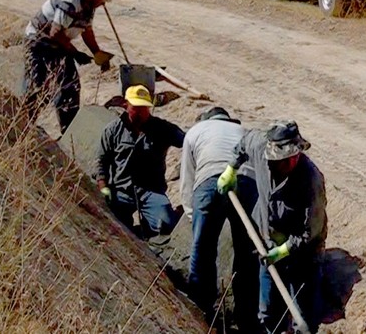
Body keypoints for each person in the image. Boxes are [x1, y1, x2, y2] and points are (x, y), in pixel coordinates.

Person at [217, 120, 327, 333]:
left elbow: (309, 231)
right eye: (281, 160)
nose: (286, 164)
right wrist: (231, 168)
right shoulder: (259, 146)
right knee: (267, 311)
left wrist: (283, 251)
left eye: (291, 158)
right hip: (268, 242)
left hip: (302, 253)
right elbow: (242, 144)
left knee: (302, 317)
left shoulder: (311, 180)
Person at [179, 106, 259, 329]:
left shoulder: (196, 131)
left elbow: (187, 177)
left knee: (203, 249)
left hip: (210, 181)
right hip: (246, 182)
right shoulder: (243, 131)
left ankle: (201, 309)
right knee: (247, 254)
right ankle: (247, 317)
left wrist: (191, 214)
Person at [22, 0, 113, 134]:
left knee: (70, 87)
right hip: (38, 43)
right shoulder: (70, 1)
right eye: (102, 1)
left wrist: (97, 54)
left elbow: (87, 32)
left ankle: (69, 132)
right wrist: (76, 53)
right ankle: (22, 125)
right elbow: (55, 34)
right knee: (37, 86)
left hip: (59, 47)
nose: (103, 4)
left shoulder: (88, 7)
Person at [96, 85, 185, 237]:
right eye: (136, 107)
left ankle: (172, 214)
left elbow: (187, 141)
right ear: (126, 105)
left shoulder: (162, 128)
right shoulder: (112, 131)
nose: (140, 111)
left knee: (166, 225)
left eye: (144, 107)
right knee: (115, 228)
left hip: (151, 191)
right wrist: (103, 186)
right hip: (121, 191)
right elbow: (101, 161)